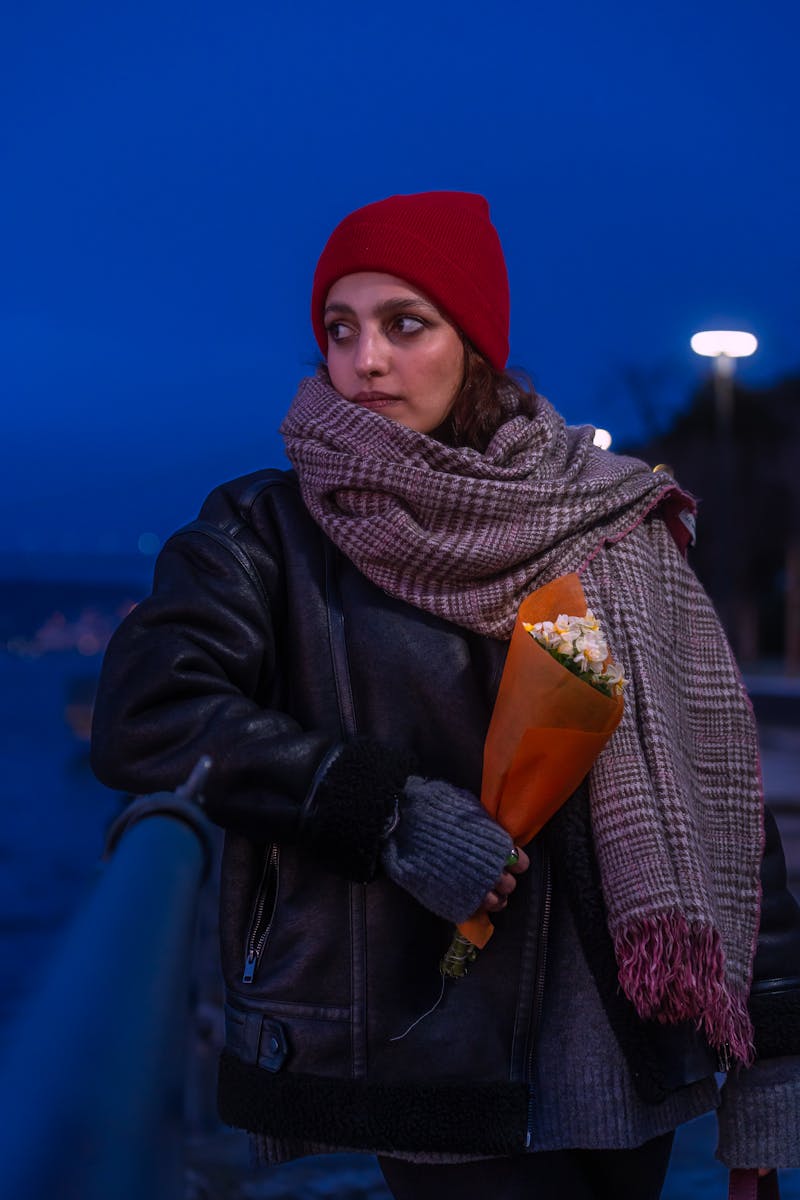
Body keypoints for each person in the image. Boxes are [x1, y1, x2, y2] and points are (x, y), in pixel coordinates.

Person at [91, 191, 800, 1199]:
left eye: (404, 324)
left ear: (474, 344)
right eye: (340, 330)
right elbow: (148, 710)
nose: (366, 360)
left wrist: (771, 1076)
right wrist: (382, 808)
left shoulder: (608, 519)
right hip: (430, 1053)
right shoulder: (269, 530)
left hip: (626, 1054)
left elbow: (723, 805)